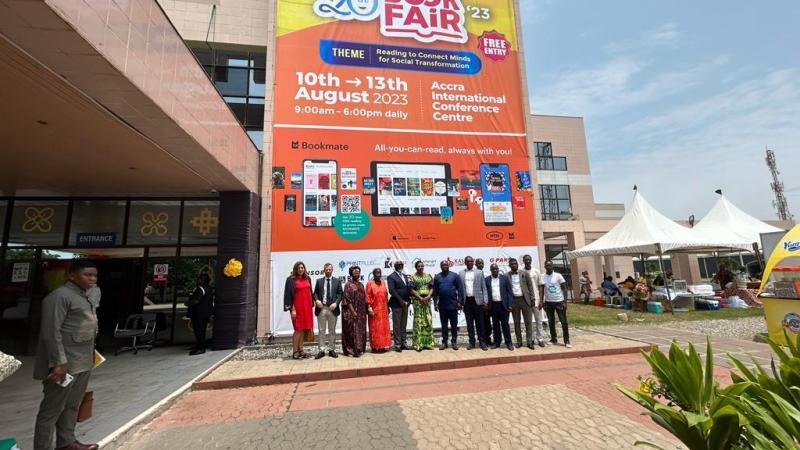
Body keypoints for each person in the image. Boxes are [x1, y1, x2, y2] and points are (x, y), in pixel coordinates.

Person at [33, 260, 100, 450]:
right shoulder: (59, 297)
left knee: (72, 405)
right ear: (72, 275)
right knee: (51, 410)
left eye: (95, 275)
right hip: (63, 364)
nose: (92, 279)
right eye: (88, 275)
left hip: (82, 362)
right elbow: (50, 332)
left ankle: (66, 442)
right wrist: (58, 362)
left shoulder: (84, 297)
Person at [283, 262, 314, 360]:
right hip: (297, 309)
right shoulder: (290, 280)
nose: (301, 269)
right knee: (298, 330)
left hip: (307, 309)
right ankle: (295, 351)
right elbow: (288, 295)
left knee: (303, 330)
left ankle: (301, 350)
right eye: (299, 268)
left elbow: (310, 292)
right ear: (295, 269)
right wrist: (292, 309)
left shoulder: (308, 278)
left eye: (302, 267)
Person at [313, 263, 343, 359]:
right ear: (324, 270)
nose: (328, 271)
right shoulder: (319, 281)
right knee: (321, 331)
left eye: (330, 269)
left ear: (332, 270)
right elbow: (315, 293)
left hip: (332, 309)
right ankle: (321, 350)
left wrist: (336, 303)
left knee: (332, 330)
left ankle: (331, 350)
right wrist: (317, 300)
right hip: (322, 308)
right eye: (326, 269)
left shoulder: (337, 281)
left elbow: (340, 294)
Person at [433, 260, 464, 350]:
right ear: (440, 266)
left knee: (454, 325)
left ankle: (454, 342)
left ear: (449, 265)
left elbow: (460, 289)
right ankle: (444, 342)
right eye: (443, 265)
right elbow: (435, 292)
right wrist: (435, 303)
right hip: (442, 305)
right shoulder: (437, 277)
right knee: (444, 325)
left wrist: (459, 302)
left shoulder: (454, 276)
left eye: (446, 264)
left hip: (453, 305)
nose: (444, 266)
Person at [459, 256, 488, 350]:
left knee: (480, 323)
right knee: (469, 324)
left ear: (473, 262)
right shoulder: (461, 273)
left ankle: (482, 342)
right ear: (465, 263)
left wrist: (485, 301)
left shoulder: (479, 272)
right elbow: (460, 289)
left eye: (471, 261)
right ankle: (472, 342)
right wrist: (460, 301)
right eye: (468, 261)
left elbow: (484, 287)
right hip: (467, 301)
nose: (470, 262)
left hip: (478, 301)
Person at [539, 260, 571, 348]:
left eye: (550, 265)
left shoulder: (558, 276)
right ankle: (553, 338)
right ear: (545, 267)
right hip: (548, 303)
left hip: (559, 302)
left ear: (552, 266)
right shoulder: (542, 276)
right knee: (551, 322)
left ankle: (566, 340)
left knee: (563, 322)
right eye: (547, 265)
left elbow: (564, 289)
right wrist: (542, 301)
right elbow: (541, 290)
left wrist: (565, 302)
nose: (548, 267)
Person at [508, 258, 537, 350]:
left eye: (515, 264)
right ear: (510, 266)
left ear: (517, 264)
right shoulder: (506, 276)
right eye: (512, 264)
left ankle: (529, 341)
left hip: (525, 300)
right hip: (514, 301)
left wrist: (532, 299)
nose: (513, 265)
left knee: (528, 322)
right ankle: (519, 341)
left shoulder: (524, 273)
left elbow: (530, 287)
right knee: (516, 323)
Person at [485, 263, 514, 350]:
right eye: (493, 269)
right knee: (495, 325)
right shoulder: (487, 280)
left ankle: (508, 342)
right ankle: (497, 342)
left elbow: (509, 292)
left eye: (496, 269)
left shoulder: (504, 278)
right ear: (490, 270)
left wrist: (510, 304)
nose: (494, 270)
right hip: (493, 305)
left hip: (503, 305)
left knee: (505, 325)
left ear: (498, 269)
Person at [341, 266, 367, 357]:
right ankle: (351, 350)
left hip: (361, 312)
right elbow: (347, 300)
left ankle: (359, 348)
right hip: (350, 312)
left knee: (360, 331)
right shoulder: (348, 284)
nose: (356, 272)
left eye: (358, 271)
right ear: (351, 273)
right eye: (354, 271)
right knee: (352, 331)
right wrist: (353, 312)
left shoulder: (361, 284)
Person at [409, 260, 435, 351]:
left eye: (422, 266)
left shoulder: (428, 276)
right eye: (419, 266)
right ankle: (418, 344)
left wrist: (428, 296)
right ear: (416, 267)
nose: (420, 267)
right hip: (418, 302)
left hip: (427, 301)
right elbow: (411, 290)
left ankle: (428, 343)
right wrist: (420, 298)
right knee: (418, 321)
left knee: (427, 320)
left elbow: (432, 288)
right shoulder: (412, 277)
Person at [366, 268, 392, 353]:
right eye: (376, 273)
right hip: (374, 309)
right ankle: (375, 346)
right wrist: (369, 307)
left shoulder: (383, 282)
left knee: (383, 329)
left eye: (379, 273)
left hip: (383, 309)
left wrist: (388, 307)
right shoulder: (370, 283)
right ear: (373, 274)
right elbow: (367, 296)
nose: (378, 274)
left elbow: (386, 294)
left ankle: (382, 346)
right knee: (375, 329)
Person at [521, 254, 545, 348]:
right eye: (526, 260)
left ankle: (540, 339)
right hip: (526, 301)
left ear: (531, 260)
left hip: (536, 299)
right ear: (523, 261)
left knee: (539, 320)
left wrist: (541, 300)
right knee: (529, 322)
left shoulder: (536, 271)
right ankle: (530, 339)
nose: (527, 261)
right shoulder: (521, 272)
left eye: (529, 260)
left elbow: (541, 286)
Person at [386, 261, 411, 352]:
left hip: (406, 304)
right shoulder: (391, 277)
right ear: (394, 266)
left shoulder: (405, 276)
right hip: (397, 304)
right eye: (398, 265)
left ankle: (404, 343)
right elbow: (392, 291)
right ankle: (397, 344)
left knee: (403, 324)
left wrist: (408, 301)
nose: (400, 266)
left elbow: (407, 289)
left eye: (401, 265)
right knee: (397, 325)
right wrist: (401, 301)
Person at [187, 273, 214, 355]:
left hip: (199, 313)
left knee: (198, 331)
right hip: (206, 313)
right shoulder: (209, 288)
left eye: (200, 279)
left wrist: (187, 303)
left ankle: (201, 348)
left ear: (203, 280)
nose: (198, 280)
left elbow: (196, 301)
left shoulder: (200, 289)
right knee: (201, 331)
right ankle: (199, 346)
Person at [476, 258, 493, 346]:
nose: (480, 265)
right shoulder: (474, 275)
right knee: (480, 323)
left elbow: (488, 290)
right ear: (476, 265)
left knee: (487, 323)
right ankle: (481, 340)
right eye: (479, 263)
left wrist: (487, 303)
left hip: (486, 304)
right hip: (478, 304)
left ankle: (488, 338)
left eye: (482, 263)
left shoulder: (486, 275)